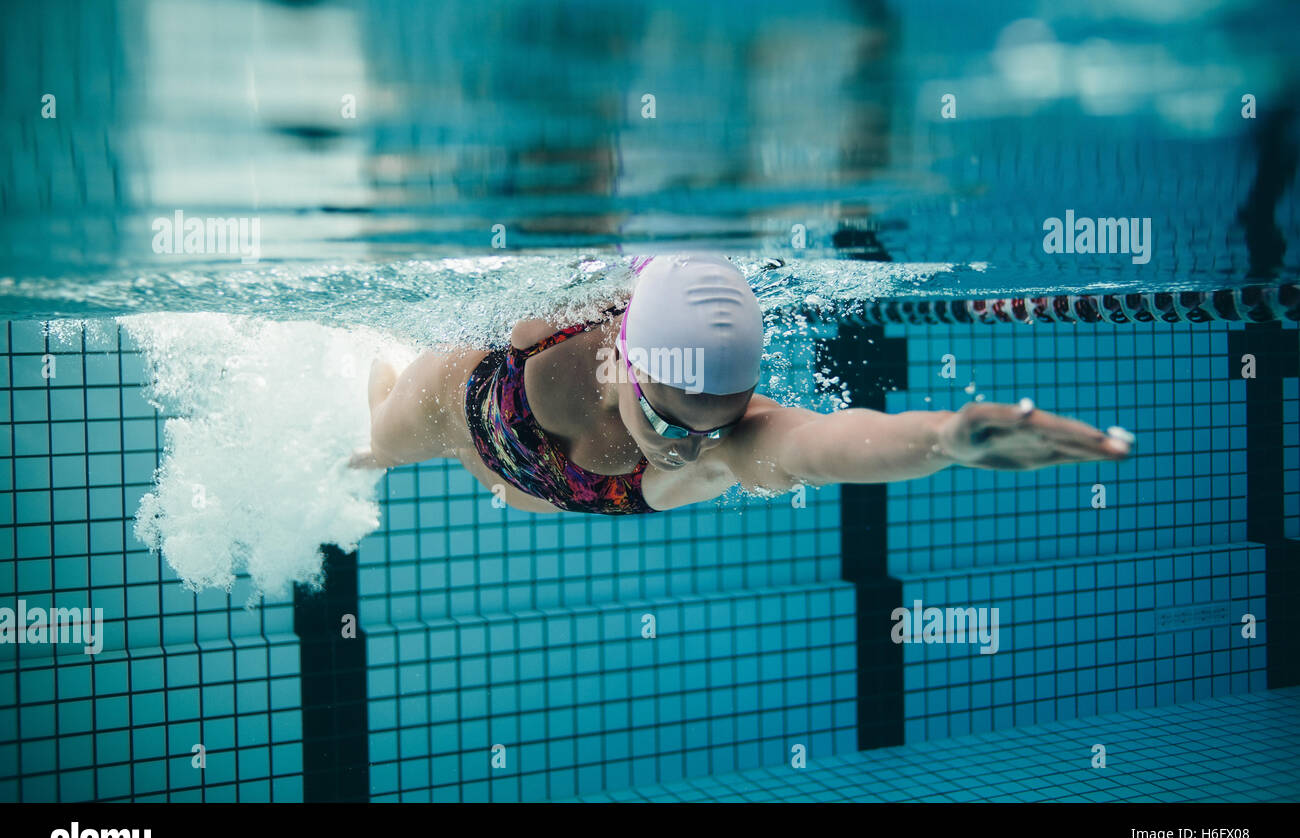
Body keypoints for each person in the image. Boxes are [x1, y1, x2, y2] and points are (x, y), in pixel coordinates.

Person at [347, 254, 1131, 513]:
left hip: (539, 484)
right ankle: (365, 362)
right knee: (371, 449)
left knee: (501, 487)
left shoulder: (725, 440)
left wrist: (944, 440)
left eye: (715, 423)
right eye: (673, 419)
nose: (690, 445)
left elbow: (818, 447)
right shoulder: (564, 317)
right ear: (625, 356)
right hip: (463, 402)